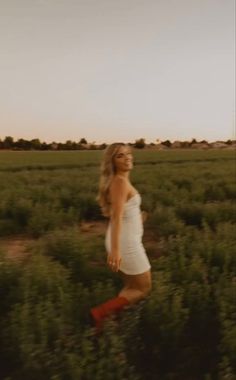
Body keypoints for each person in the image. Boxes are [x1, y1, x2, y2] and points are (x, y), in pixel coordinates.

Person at [90, 142, 152, 329]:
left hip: (123, 241)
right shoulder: (119, 182)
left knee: (131, 287)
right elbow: (116, 217)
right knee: (143, 288)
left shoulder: (120, 180)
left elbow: (122, 213)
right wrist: (116, 252)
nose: (127, 158)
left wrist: (137, 218)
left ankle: (113, 324)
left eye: (128, 154)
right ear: (112, 162)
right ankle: (101, 314)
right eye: (120, 156)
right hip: (126, 245)